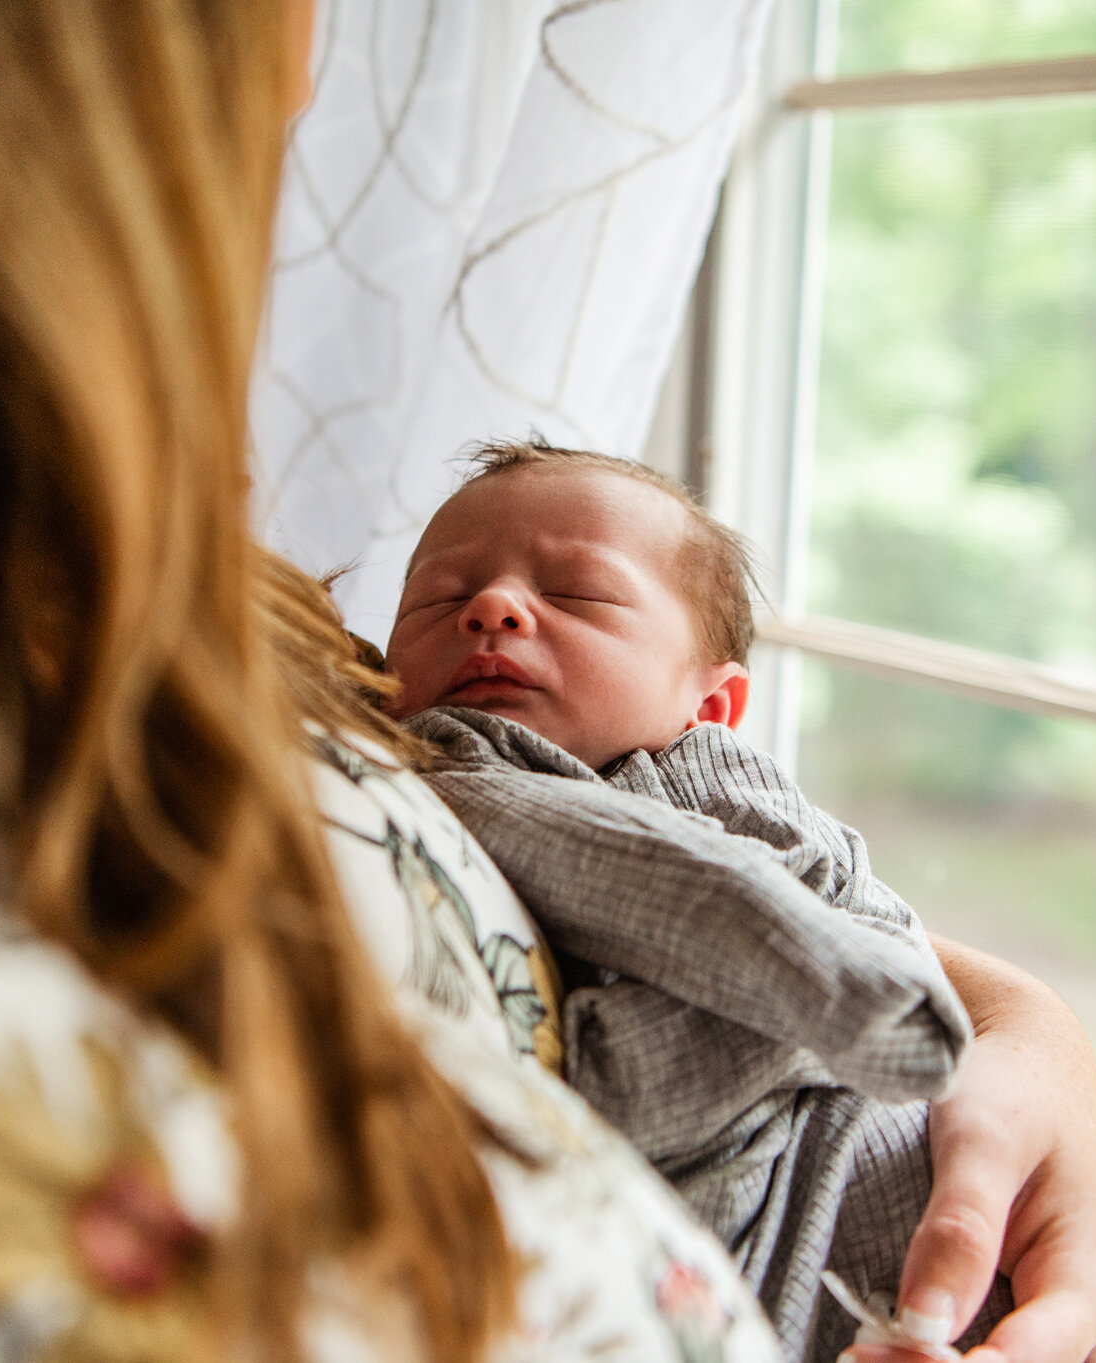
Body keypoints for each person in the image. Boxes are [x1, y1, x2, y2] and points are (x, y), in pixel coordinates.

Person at [0, 4, 1096, 1363]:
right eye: (449, 589)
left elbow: (757, 894)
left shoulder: (198, 615)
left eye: (574, 591)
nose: (310, 75)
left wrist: (1024, 1025)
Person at [385, 442, 982, 1360]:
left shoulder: (711, 781)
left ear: (709, 705)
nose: (490, 609)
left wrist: (612, 1072)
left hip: (874, 1199)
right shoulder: (433, 781)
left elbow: (838, 936)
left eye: (577, 593)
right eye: (436, 597)